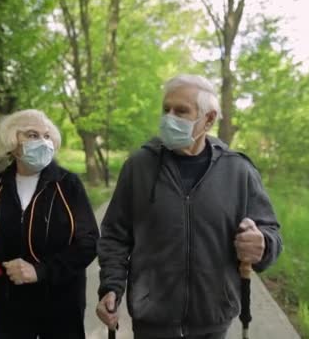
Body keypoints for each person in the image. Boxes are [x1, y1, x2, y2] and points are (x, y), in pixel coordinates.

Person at [96, 75, 283, 339]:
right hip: (152, 321)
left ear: (208, 119)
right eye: (166, 109)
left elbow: (271, 232)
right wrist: (111, 286)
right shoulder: (139, 167)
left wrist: (262, 243)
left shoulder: (238, 171)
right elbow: (115, 235)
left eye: (181, 111)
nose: (169, 118)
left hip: (212, 320)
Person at [0, 109, 99, 339]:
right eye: (32, 135)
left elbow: (89, 243)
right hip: (8, 305)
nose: (42, 142)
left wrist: (39, 271)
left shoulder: (68, 185)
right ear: (12, 142)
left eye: (47, 136)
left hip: (61, 304)